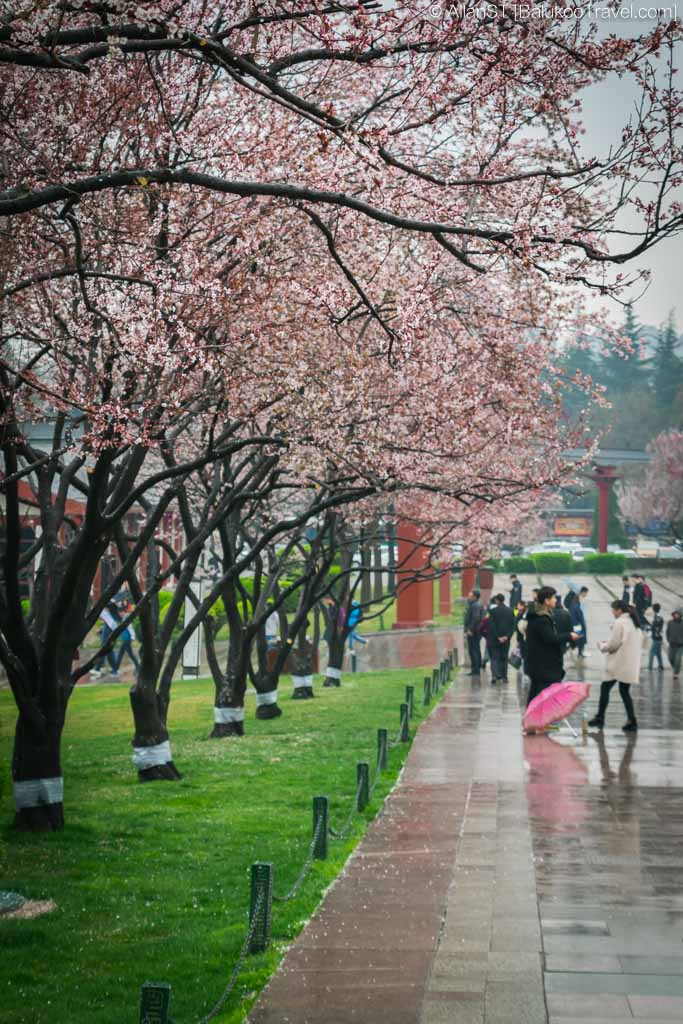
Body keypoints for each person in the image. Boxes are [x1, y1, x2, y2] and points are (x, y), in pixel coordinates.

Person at [588, 599, 643, 732]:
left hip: (619, 663)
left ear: (619, 610)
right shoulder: (633, 622)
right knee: (624, 691)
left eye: (613, 610)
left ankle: (600, 717)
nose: (612, 612)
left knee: (605, 687)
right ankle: (632, 720)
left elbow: (613, 644)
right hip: (629, 664)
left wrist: (602, 646)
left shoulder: (620, 622)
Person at [524, 585, 578, 709]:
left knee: (535, 693)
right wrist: (569, 636)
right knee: (547, 694)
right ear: (546, 601)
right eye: (553, 598)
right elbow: (550, 639)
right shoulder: (542, 618)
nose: (556, 600)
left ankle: (532, 722)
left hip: (538, 664)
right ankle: (542, 722)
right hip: (544, 665)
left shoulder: (540, 615)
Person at [488, 593, 515, 685]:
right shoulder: (510, 611)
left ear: (496, 601)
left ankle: (495, 675)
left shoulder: (493, 611)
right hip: (506, 640)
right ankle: (504, 677)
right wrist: (507, 636)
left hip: (495, 639)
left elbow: (491, 625)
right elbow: (513, 625)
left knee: (495, 657)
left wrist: (497, 636)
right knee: (504, 657)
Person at [90, 601, 120, 677]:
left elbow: (96, 611)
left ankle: (98, 669)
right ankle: (115, 669)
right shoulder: (112, 617)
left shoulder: (107, 615)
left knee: (104, 651)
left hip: (107, 637)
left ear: (108, 609)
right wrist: (101, 631)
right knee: (109, 652)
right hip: (109, 635)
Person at [464, 589, 484, 674]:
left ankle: (475, 669)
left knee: (473, 650)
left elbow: (476, 618)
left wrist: (470, 629)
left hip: (473, 632)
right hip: (477, 631)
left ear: (475, 597)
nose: (468, 598)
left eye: (470, 596)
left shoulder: (475, 605)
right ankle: (477, 667)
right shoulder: (476, 604)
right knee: (476, 649)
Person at [570, 586, 589, 658]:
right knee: (580, 637)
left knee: (580, 637)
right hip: (577, 623)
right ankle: (579, 652)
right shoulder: (577, 601)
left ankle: (580, 651)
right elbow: (575, 613)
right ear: (583, 592)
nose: (586, 595)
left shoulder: (578, 600)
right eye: (586, 593)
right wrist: (578, 624)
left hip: (579, 622)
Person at [648, 602, 665, 672]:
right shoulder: (658, 616)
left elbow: (655, 626)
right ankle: (661, 666)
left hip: (657, 638)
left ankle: (650, 668)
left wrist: (650, 628)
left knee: (651, 653)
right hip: (658, 637)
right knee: (658, 653)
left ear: (654, 609)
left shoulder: (658, 617)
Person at [667, 609, 683, 678]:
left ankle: (676, 673)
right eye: (675, 614)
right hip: (672, 644)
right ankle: (676, 668)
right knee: (670, 658)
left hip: (680, 645)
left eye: (677, 614)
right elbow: (667, 632)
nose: (676, 615)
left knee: (678, 659)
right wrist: (669, 639)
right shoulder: (670, 622)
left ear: (680, 615)